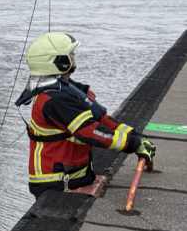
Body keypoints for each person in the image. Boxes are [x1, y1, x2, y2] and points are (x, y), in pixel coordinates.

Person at [15, 32, 155, 198]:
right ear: (60, 62)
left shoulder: (64, 88)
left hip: (73, 174)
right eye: (71, 55)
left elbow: (100, 117)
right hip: (57, 181)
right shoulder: (54, 100)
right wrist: (132, 144)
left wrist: (134, 135)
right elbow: (90, 131)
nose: (74, 58)